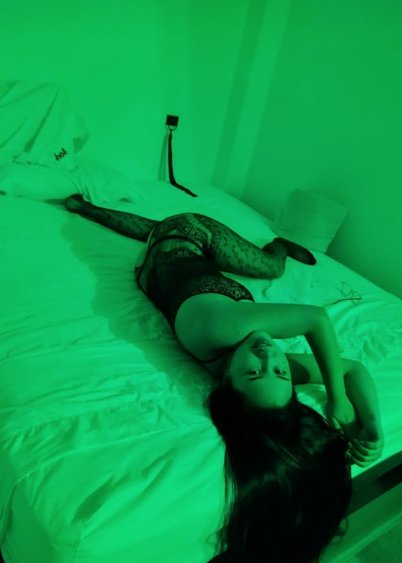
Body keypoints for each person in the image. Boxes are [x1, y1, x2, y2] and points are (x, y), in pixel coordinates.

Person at [60, 193, 384, 563]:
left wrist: (338, 397)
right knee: (220, 255)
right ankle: (88, 208)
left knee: (270, 267)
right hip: (168, 257)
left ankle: (278, 246)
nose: (268, 354)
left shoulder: (222, 329)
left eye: (253, 371)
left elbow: (316, 319)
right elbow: (353, 367)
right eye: (281, 371)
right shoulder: (250, 369)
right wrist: (372, 423)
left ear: (226, 378)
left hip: (186, 235)